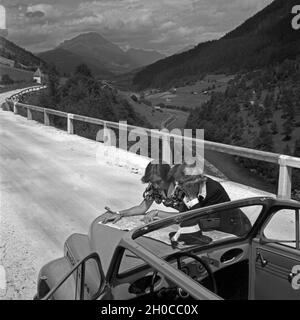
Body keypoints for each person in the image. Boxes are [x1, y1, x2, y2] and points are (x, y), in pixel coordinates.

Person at [168, 162, 252, 243]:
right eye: (180, 185)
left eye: (186, 186)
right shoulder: (185, 190)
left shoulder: (214, 190)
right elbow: (183, 216)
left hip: (236, 233)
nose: (182, 188)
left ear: (195, 182)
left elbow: (207, 224)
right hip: (214, 233)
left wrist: (194, 201)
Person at [98, 160, 181, 224]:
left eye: (158, 182)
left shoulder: (182, 186)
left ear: (168, 176)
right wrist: (120, 213)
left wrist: (157, 213)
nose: (155, 186)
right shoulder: (155, 187)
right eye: (152, 182)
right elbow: (142, 208)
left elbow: (190, 215)